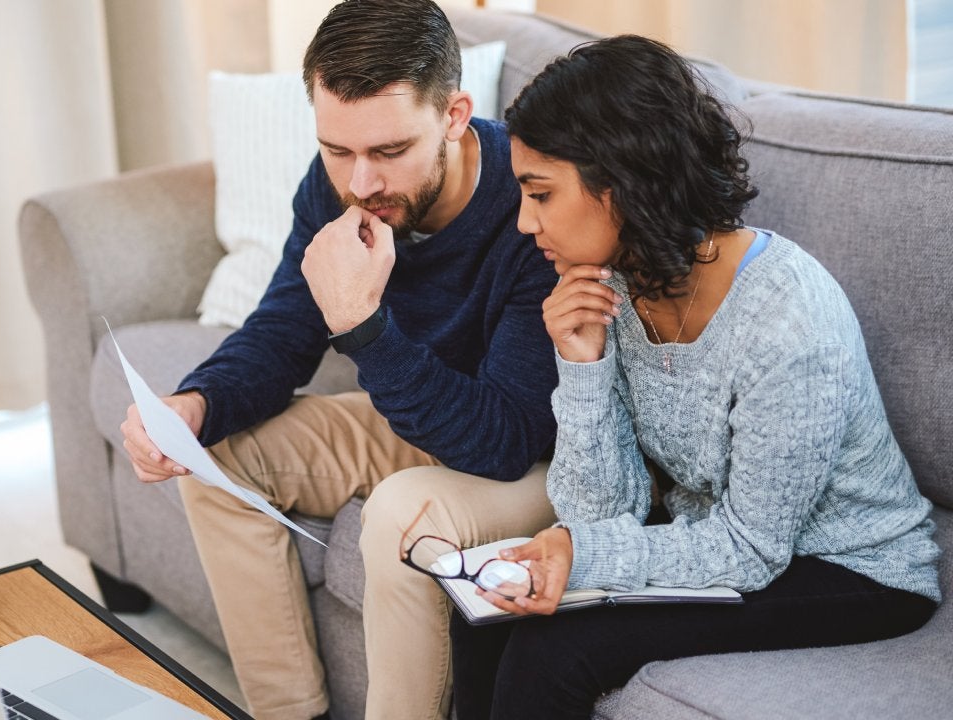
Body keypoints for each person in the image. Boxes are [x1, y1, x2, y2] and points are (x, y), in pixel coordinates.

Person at [446, 35, 942, 719]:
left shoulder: (787, 321)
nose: (526, 223)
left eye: (540, 194)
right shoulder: (614, 287)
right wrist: (582, 364)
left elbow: (751, 550)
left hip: (849, 569)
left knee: (553, 651)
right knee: (488, 608)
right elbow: (600, 509)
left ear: (622, 182)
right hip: (727, 536)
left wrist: (581, 554)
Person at [117, 1, 562, 718]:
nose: (360, 184)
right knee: (217, 454)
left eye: (389, 152)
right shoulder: (336, 187)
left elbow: (503, 441)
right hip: (422, 420)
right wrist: (195, 404)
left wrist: (362, 326)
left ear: (454, 114)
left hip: (538, 456)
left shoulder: (533, 202)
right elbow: (283, 330)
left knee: (397, 513)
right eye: (338, 149)